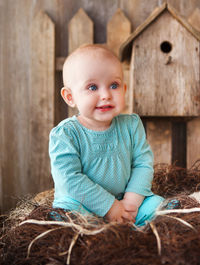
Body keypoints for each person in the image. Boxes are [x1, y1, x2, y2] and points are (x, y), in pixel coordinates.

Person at [49, 44, 164, 226]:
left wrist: (131, 202)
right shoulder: (66, 134)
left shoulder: (131, 125)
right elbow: (69, 179)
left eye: (114, 85)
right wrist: (110, 207)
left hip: (125, 199)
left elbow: (143, 163)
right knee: (69, 210)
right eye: (92, 87)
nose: (106, 95)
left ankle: (143, 222)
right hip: (82, 202)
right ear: (70, 97)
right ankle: (81, 227)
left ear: (124, 90)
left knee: (157, 206)